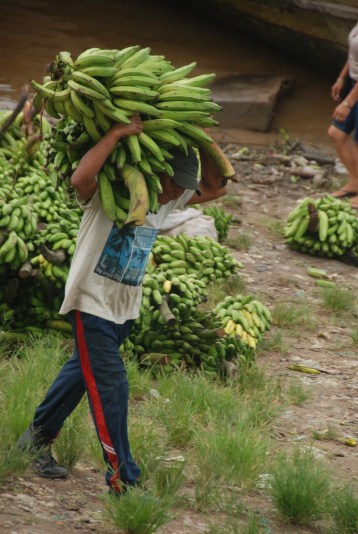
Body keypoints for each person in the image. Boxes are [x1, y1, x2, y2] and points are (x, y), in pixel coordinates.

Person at [17, 115, 229, 494]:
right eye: (171, 186)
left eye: (180, 189)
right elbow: (79, 180)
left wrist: (203, 140)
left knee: (80, 374)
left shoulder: (166, 201)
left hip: (124, 308)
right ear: (155, 174)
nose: (172, 195)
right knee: (113, 388)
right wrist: (116, 134)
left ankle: (35, 439)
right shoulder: (111, 192)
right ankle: (123, 478)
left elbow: (215, 187)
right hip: (91, 303)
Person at [328, 21, 358, 209]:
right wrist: (341, 78)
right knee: (336, 133)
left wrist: (347, 103)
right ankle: (355, 182)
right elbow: (353, 54)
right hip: (354, 82)